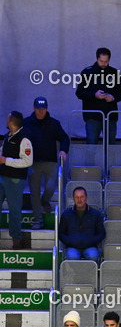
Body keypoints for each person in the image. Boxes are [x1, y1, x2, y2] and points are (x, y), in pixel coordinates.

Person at [23, 97, 69, 229]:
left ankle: (44, 202)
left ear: (47, 109)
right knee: (34, 192)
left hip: (50, 162)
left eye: (43, 109)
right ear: (34, 108)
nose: (41, 111)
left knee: (50, 187)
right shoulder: (26, 123)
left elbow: (64, 138)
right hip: (33, 163)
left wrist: (63, 151)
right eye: (39, 109)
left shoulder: (54, 123)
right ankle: (38, 220)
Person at [75, 47, 121, 145]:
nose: (103, 64)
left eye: (106, 61)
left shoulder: (114, 73)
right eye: (101, 61)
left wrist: (113, 97)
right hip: (93, 115)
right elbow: (79, 93)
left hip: (110, 115)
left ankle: (109, 161)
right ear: (97, 58)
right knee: (91, 144)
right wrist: (94, 95)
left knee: (111, 145)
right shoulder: (87, 72)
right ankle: (90, 161)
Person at [0, 110, 33, 248]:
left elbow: (27, 161)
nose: (6, 121)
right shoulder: (9, 136)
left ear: (12, 122)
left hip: (15, 180)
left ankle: (16, 240)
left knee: (14, 210)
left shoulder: (24, 140)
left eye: (8, 119)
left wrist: (5, 160)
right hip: (2, 176)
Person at [58, 185, 104, 261]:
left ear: (86, 197)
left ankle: (89, 273)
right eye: (77, 197)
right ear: (73, 198)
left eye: (82, 197)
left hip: (90, 246)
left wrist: (91, 241)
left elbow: (102, 233)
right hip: (72, 247)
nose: (79, 200)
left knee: (93, 256)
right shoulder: (66, 214)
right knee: (72, 257)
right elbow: (61, 233)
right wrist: (70, 241)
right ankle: (77, 273)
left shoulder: (95, 214)